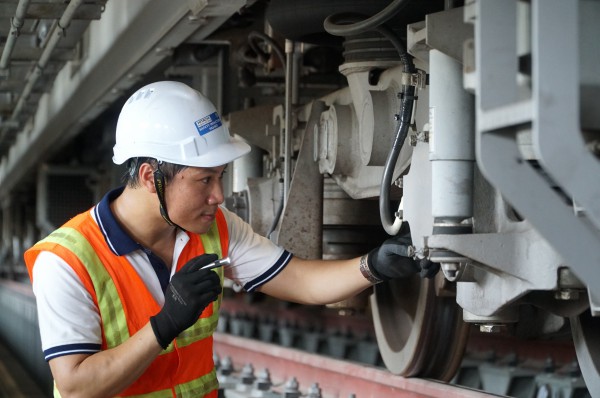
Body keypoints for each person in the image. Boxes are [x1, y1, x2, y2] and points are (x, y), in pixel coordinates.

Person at [24, 81, 437, 398]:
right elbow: (77, 385)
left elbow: (302, 281)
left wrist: (374, 266)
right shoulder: (66, 260)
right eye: (205, 179)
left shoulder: (215, 228)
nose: (218, 196)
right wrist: (165, 324)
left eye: (220, 177)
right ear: (152, 177)